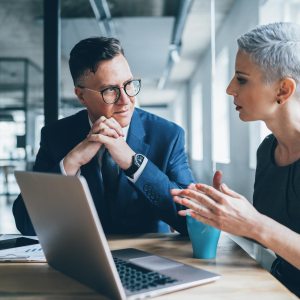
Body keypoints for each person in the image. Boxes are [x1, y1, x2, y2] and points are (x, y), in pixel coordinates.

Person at [13, 36, 194, 235]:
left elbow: (191, 219)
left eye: (129, 84)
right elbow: (26, 223)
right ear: (81, 96)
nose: (125, 100)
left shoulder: (168, 135)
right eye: (110, 91)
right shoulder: (56, 136)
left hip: (150, 257)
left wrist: (135, 164)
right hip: (83, 257)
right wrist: (72, 162)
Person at [171, 22, 300, 297]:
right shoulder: (267, 151)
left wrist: (253, 223)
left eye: (241, 79)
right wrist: (222, 211)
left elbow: (265, 229)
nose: (230, 89)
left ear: (283, 90)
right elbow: (272, 238)